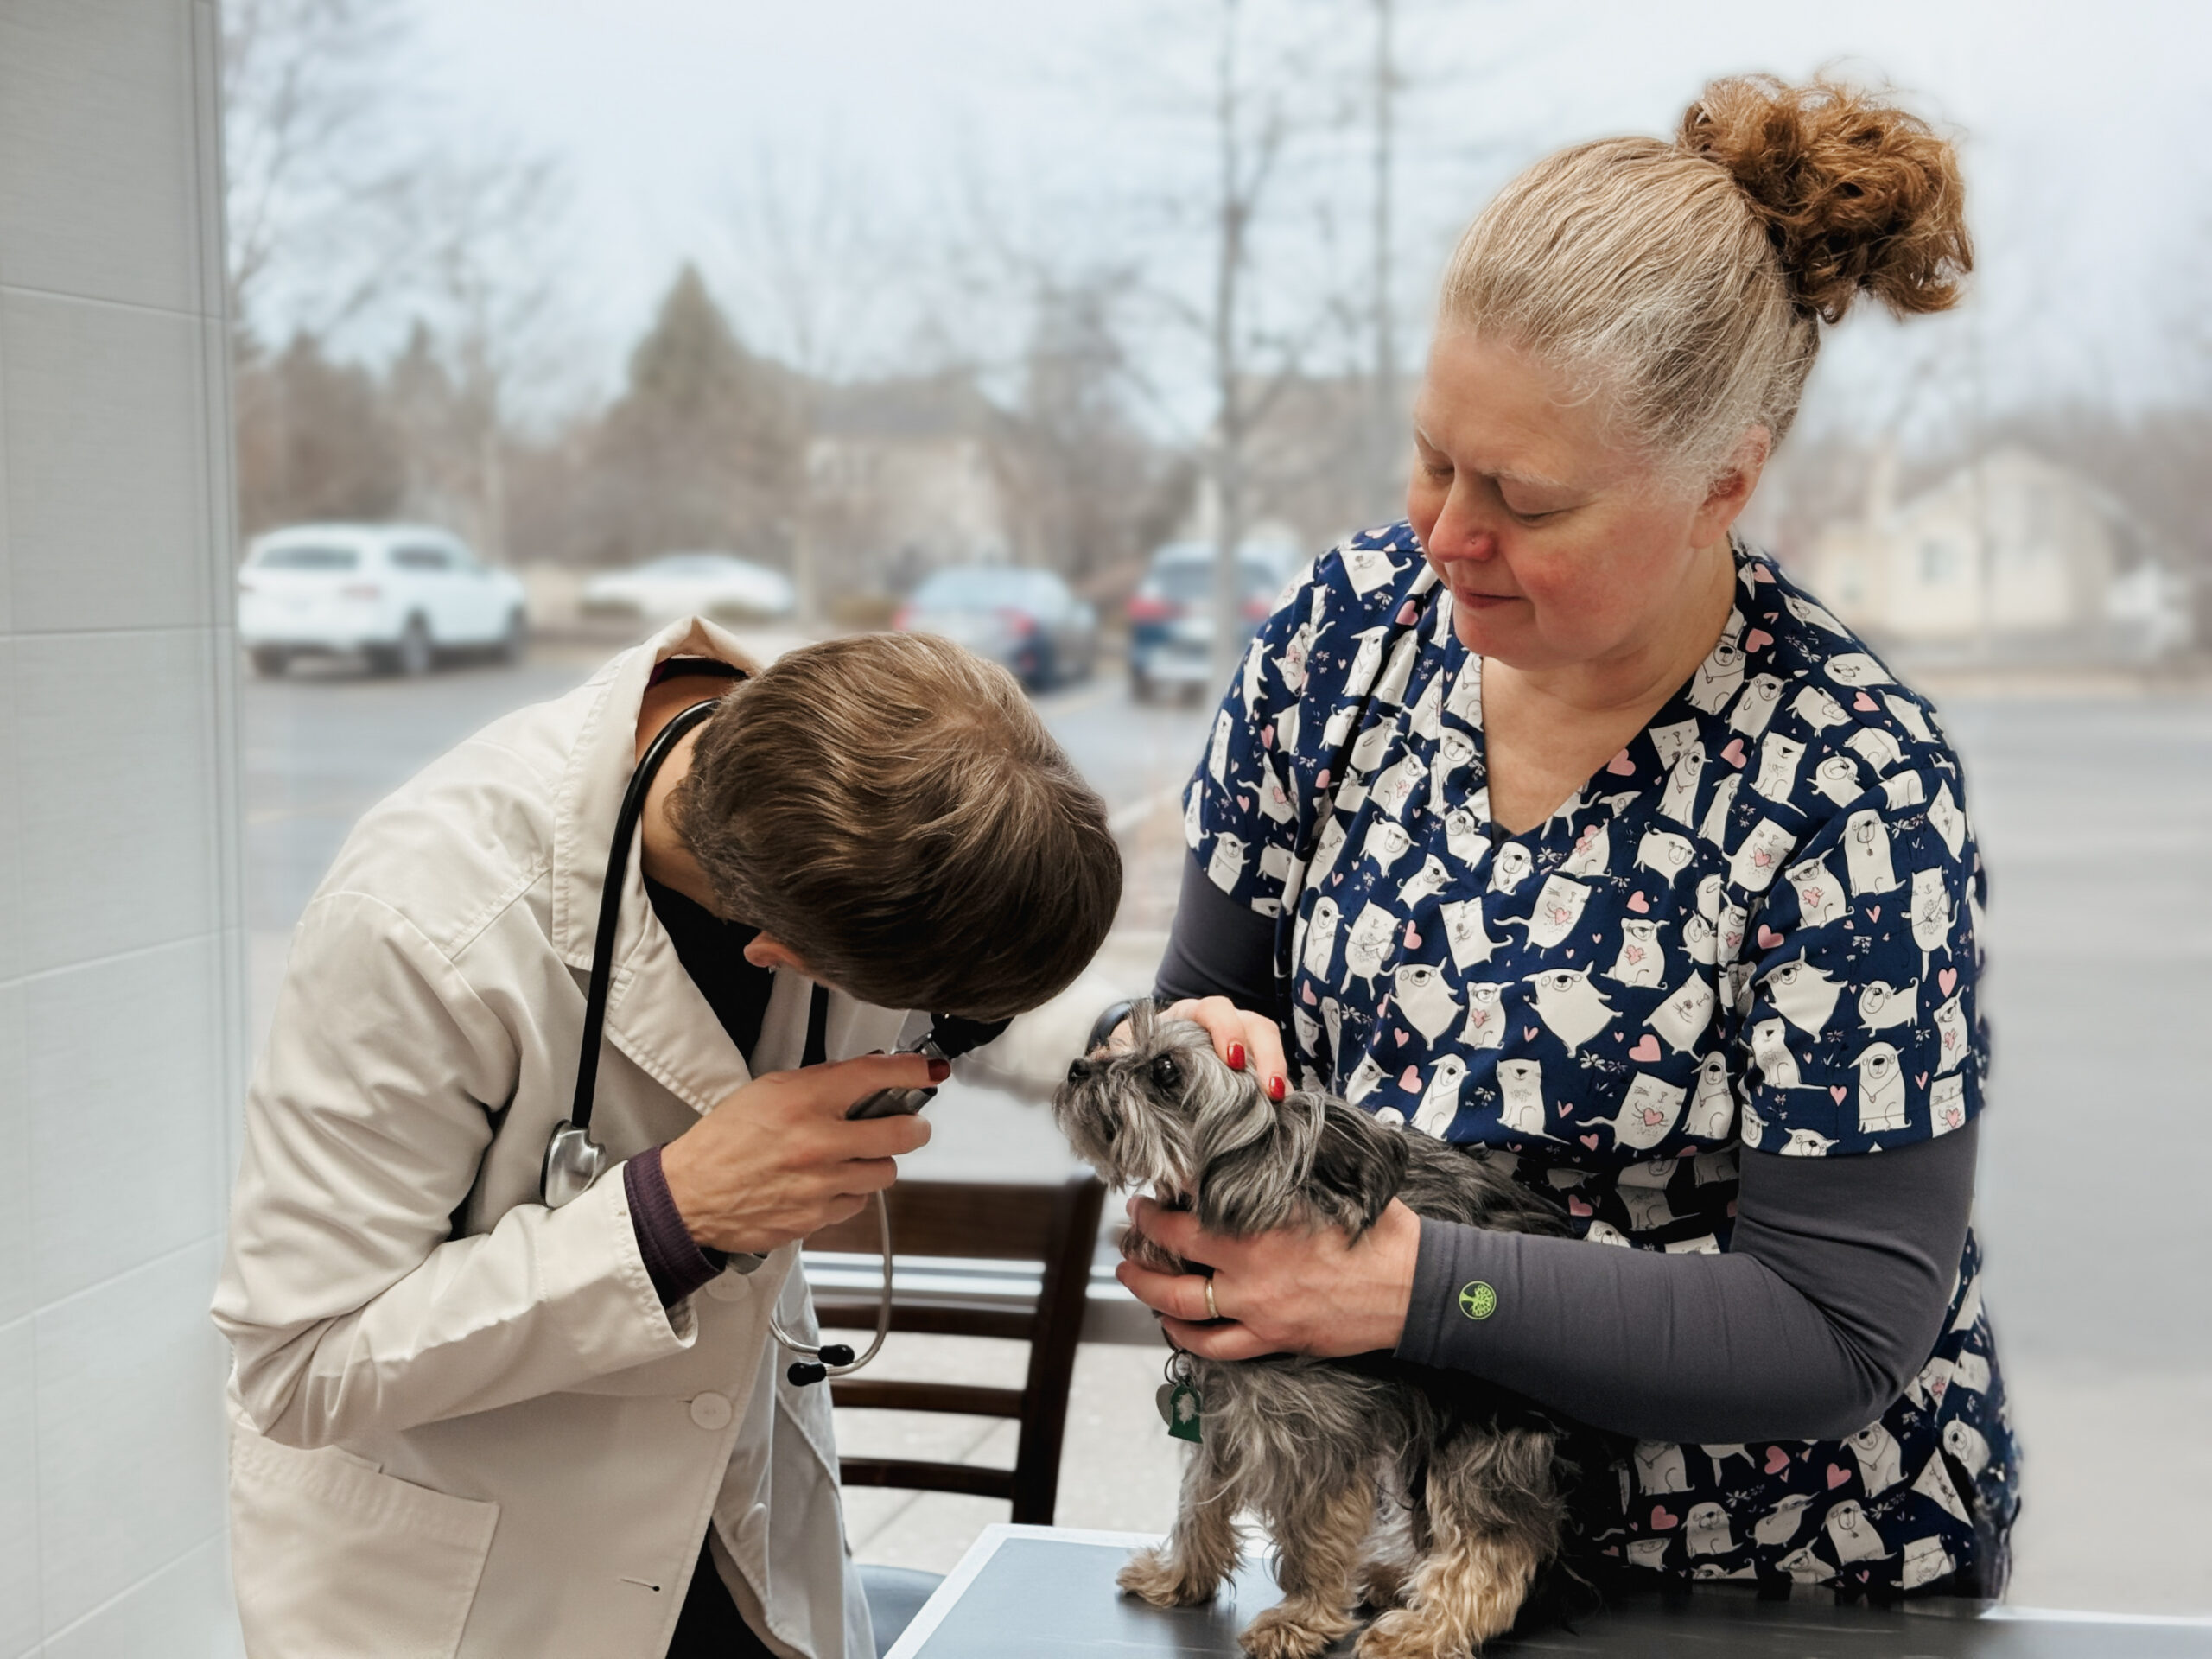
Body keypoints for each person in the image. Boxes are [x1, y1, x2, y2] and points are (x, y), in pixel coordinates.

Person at [1104, 75, 2017, 1599]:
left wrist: (1412, 1291)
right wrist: (1190, 1083)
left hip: (1765, 1584)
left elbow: (1844, 1326)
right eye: (1433, 458)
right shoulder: (1342, 640)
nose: (1448, 534)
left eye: (1523, 499)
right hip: (1418, 1551)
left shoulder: (1848, 789)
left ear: (1723, 480)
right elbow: (1210, 1007)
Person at [214, 621, 1120, 1658]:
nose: (947, 1034)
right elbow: (299, 1365)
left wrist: (1120, 1036)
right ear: (777, 954)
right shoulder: (424, 923)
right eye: (932, 1014)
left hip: (727, 1536)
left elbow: (973, 994)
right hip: (479, 1585)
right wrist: (668, 1218)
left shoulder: (833, 751)